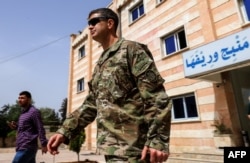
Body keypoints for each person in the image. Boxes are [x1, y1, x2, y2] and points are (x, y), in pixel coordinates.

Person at [47, 8, 172, 163]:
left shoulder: (132, 50)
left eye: (94, 22)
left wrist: (157, 140)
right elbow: (91, 105)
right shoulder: (101, 64)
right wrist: (65, 131)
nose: (90, 27)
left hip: (134, 150)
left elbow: (156, 98)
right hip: (112, 149)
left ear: (110, 23)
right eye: (88, 23)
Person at [8, 91, 48, 163]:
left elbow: (40, 128)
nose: (20, 100)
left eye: (22, 98)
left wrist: (44, 144)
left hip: (27, 146)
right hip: (21, 146)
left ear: (29, 99)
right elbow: (24, 129)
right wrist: (16, 126)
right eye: (19, 98)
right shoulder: (23, 113)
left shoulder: (33, 112)